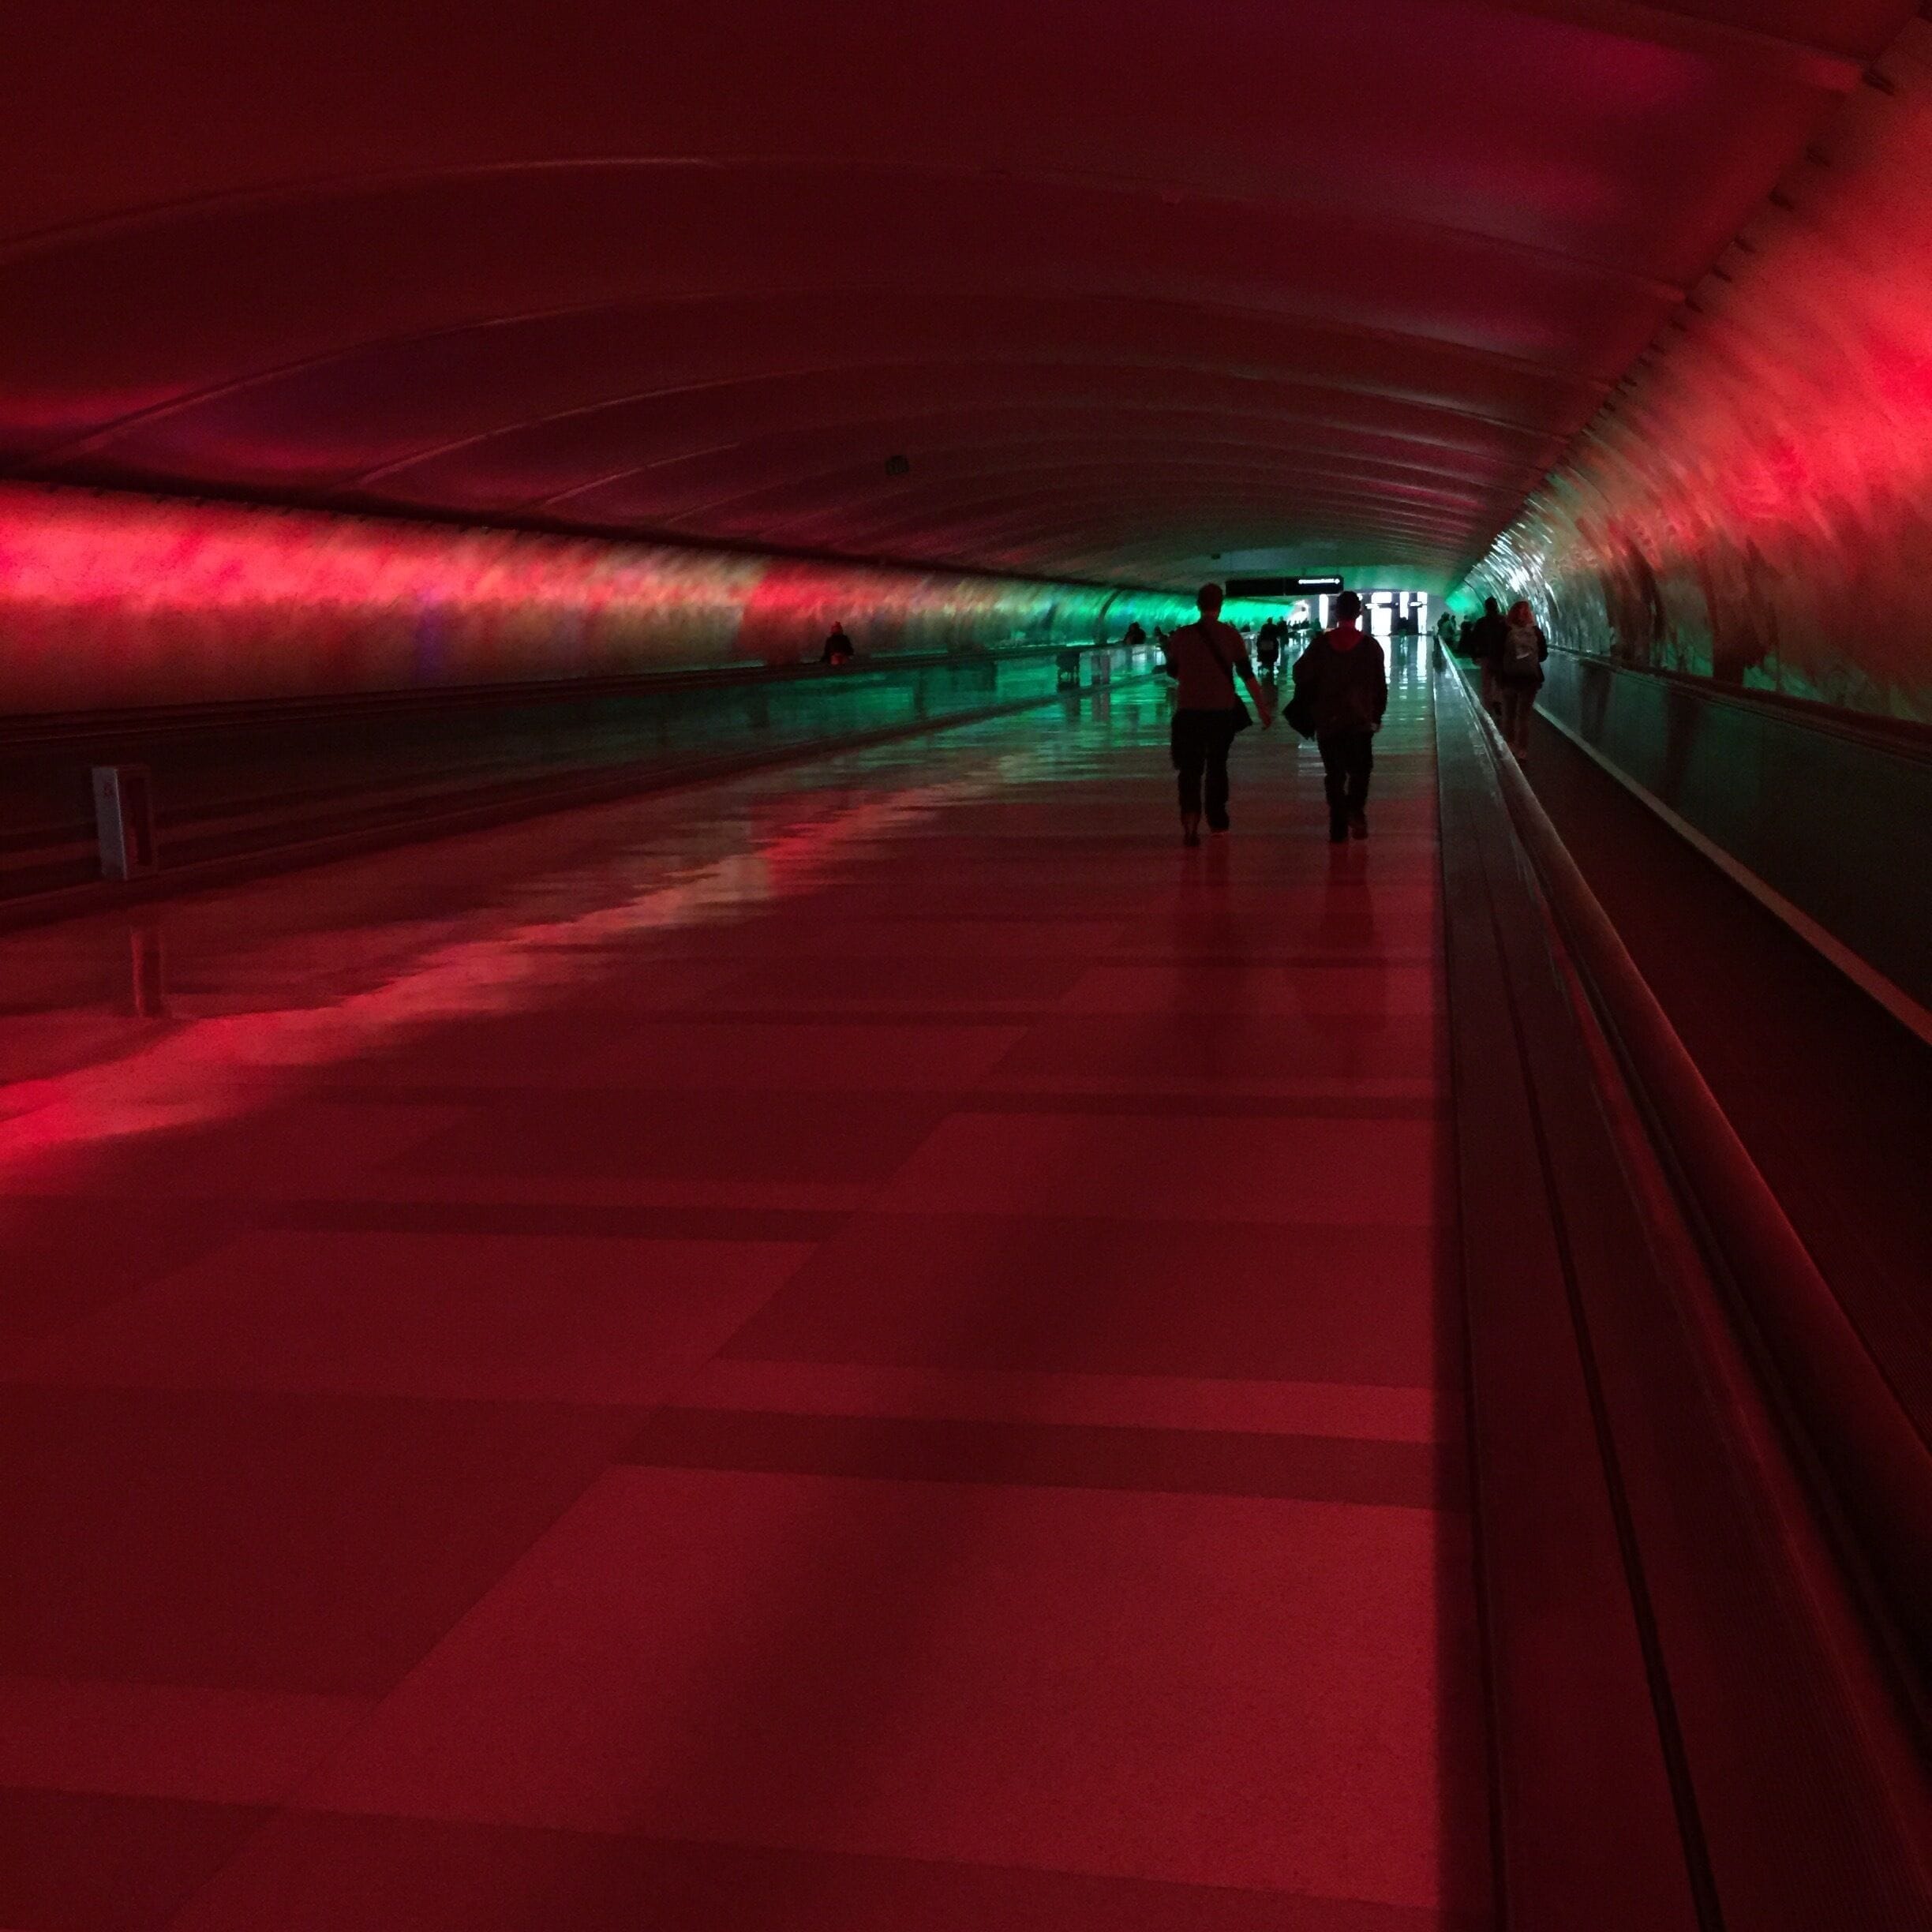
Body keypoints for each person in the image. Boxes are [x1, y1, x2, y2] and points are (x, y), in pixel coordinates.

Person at [1166, 582, 1274, 845]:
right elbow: (1247, 676)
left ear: (1197, 604)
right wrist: (1262, 709)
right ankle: (1218, 822)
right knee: (1217, 767)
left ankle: (1190, 821)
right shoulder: (1231, 635)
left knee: (1189, 770)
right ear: (1221, 605)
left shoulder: (1181, 636)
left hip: (1189, 712)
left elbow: (1172, 671)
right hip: (1220, 713)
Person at [1290, 589, 1387, 843]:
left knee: (1334, 774)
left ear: (1335, 612)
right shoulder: (1371, 647)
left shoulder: (1321, 645)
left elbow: (1299, 672)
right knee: (1361, 770)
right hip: (1360, 721)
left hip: (1328, 721)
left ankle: (1338, 827)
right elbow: (1380, 686)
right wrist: (1377, 715)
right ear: (1358, 613)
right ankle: (1355, 809)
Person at [1493, 599, 1548, 755]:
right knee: (1524, 717)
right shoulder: (1536, 632)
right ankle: (1522, 750)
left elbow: (1497, 654)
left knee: (1509, 714)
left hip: (1509, 678)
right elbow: (1543, 655)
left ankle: (1510, 746)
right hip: (1530, 680)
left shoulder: (1504, 630)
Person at [1467, 596, 1508, 717]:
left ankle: (1487, 707)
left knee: (1486, 682)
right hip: (1501, 657)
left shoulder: (1481, 622)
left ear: (1486, 607)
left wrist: (1474, 655)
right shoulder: (1503, 620)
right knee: (1500, 681)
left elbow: (1474, 639)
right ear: (1496, 606)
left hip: (1486, 657)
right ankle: (1497, 701)